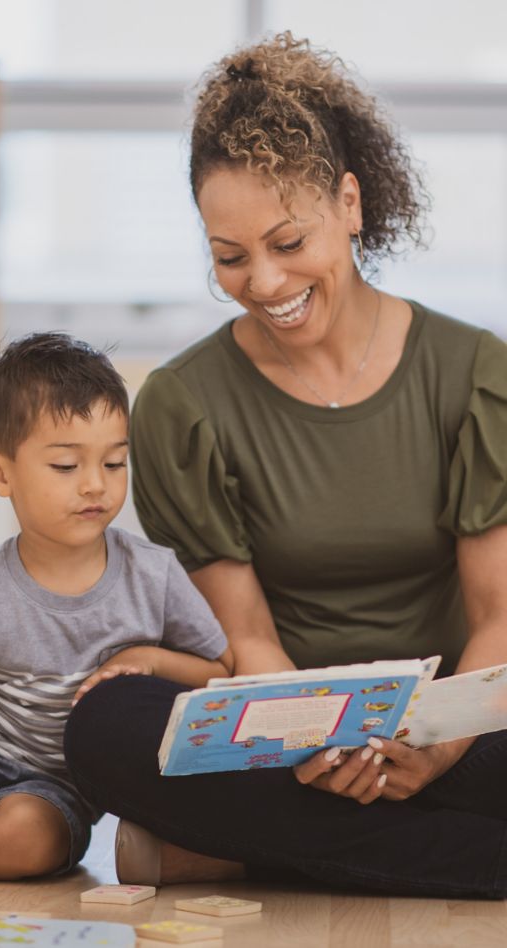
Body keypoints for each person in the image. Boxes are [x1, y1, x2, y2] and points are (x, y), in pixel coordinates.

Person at [63, 33, 507, 898]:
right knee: (103, 726)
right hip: (282, 736)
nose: (264, 283)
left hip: (458, 729)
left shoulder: (475, 373)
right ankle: (469, 857)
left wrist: (434, 745)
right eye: (230, 257)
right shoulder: (186, 404)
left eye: (287, 241)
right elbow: (251, 640)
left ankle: (239, 852)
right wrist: (318, 742)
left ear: (350, 202)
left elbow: (496, 621)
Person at [0, 332, 231, 886]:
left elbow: (220, 674)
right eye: (66, 466)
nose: (96, 485)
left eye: (114, 463)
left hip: (59, 785)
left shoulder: (153, 573)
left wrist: (153, 660)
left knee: (25, 844)